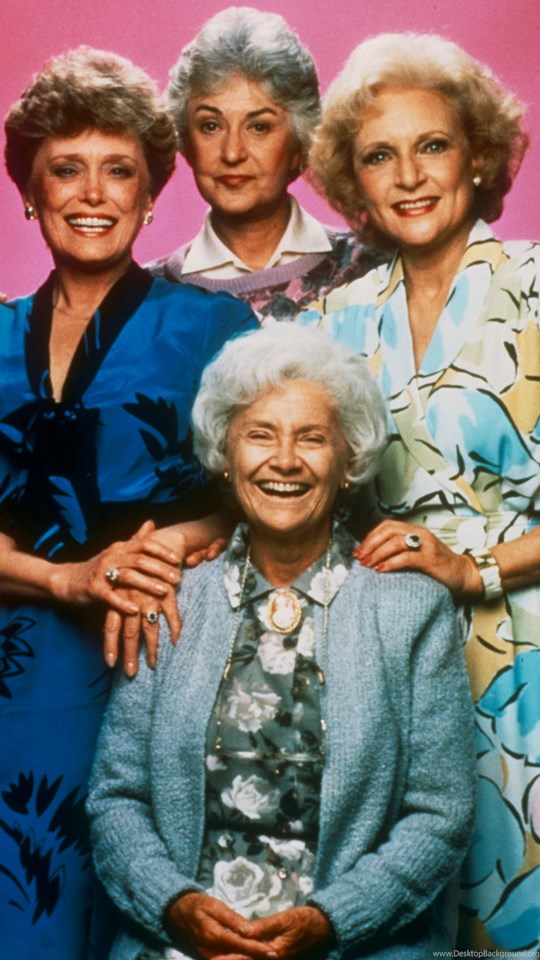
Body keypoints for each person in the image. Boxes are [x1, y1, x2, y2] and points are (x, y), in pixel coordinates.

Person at [87, 324, 475, 960]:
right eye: (260, 435)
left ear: (349, 462)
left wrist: (331, 923)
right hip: (180, 945)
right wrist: (174, 907)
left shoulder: (411, 608)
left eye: (312, 438)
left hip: (350, 943)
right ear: (226, 455)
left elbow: (441, 814)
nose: (286, 460)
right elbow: (116, 798)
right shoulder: (171, 596)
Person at [0, 46, 255, 960]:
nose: (93, 193)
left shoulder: (214, 325)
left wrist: (170, 544)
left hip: (168, 648)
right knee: (27, 911)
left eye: (119, 171)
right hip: (22, 668)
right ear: (28, 192)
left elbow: (264, 498)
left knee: (160, 914)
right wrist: (65, 580)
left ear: (151, 197)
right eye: (66, 168)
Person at [299, 32, 540, 951]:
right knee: (398, 915)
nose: (408, 176)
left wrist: (477, 569)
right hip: (390, 656)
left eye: (432, 145)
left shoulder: (537, 285)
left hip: (526, 642)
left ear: (478, 156)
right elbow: (287, 485)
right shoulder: (330, 319)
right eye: (379, 155)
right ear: (354, 183)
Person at [148, 7, 381, 321]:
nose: (232, 153)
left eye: (258, 127)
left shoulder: (370, 266)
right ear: (185, 139)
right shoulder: (147, 296)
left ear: (299, 143)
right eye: (211, 126)